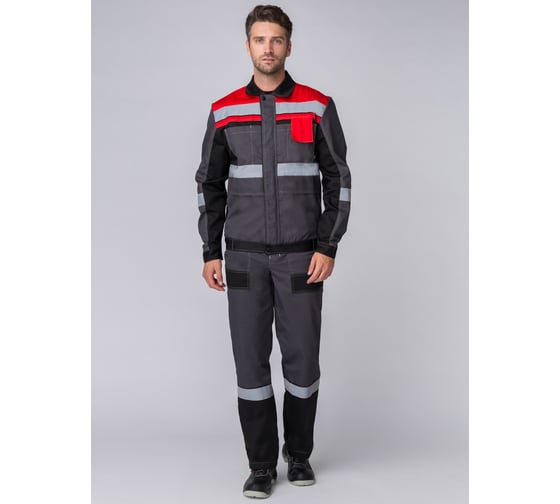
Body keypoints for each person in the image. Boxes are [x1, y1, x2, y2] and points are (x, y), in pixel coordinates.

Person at [195, 4, 351, 499]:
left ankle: (298, 455)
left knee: (302, 362)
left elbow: (339, 180)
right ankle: (261, 465)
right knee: (250, 364)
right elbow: (209, 184)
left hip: (302, 258)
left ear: (288, 46)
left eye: (277, 40)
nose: (268, 48)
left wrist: (327, 245)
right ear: (248, 46)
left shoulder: (316, 106)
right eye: (260, 40)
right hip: (242, 259)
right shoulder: (224, 110)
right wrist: (210, 251)